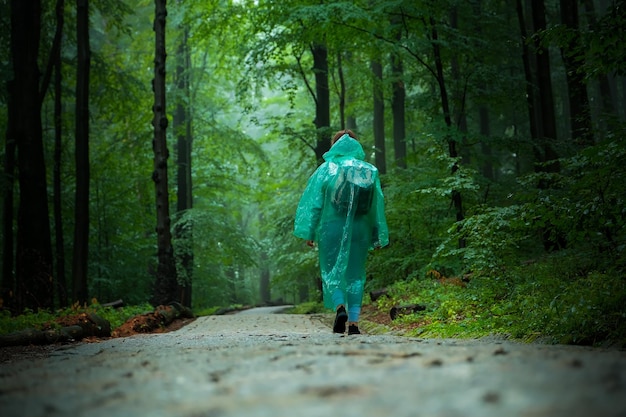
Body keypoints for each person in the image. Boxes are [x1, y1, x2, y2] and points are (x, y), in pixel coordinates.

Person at [294, 129, 389, 335]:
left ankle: (340, 308)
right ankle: (354, 324)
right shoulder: (369, 170)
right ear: (356, 145)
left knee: (331, 270)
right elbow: (376, 207)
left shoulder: (326, 169)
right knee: (356, 274)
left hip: (332, 227)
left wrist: (309, 231)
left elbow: (315, 205)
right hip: (361, 228)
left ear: (334, 145)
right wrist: (377, 234)